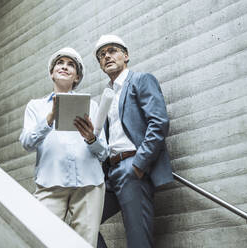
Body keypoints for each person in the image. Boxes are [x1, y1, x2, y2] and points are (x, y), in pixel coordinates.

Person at [19, 47, 108, 247]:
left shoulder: (92, 107)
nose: (65, 67)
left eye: (71, 65)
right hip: (50, 183)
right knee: (42, 240)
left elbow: (104, 153)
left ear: (76, 77)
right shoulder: (35, 106)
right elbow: (26, 143)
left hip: (89, 184)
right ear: (52, 72)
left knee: (84, 244)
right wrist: (49, 118)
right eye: (60, 63)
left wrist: (91, 138)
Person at [94, 35, 174, 248]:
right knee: (83, 223)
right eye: (102, 55)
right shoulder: (106, 96)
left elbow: (158, 123)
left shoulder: (141, 80)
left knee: (138, 240)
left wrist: (139, 165)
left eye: (112, 50)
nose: (107, 56)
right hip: (110, 174)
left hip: (132, 168)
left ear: (125, 55)